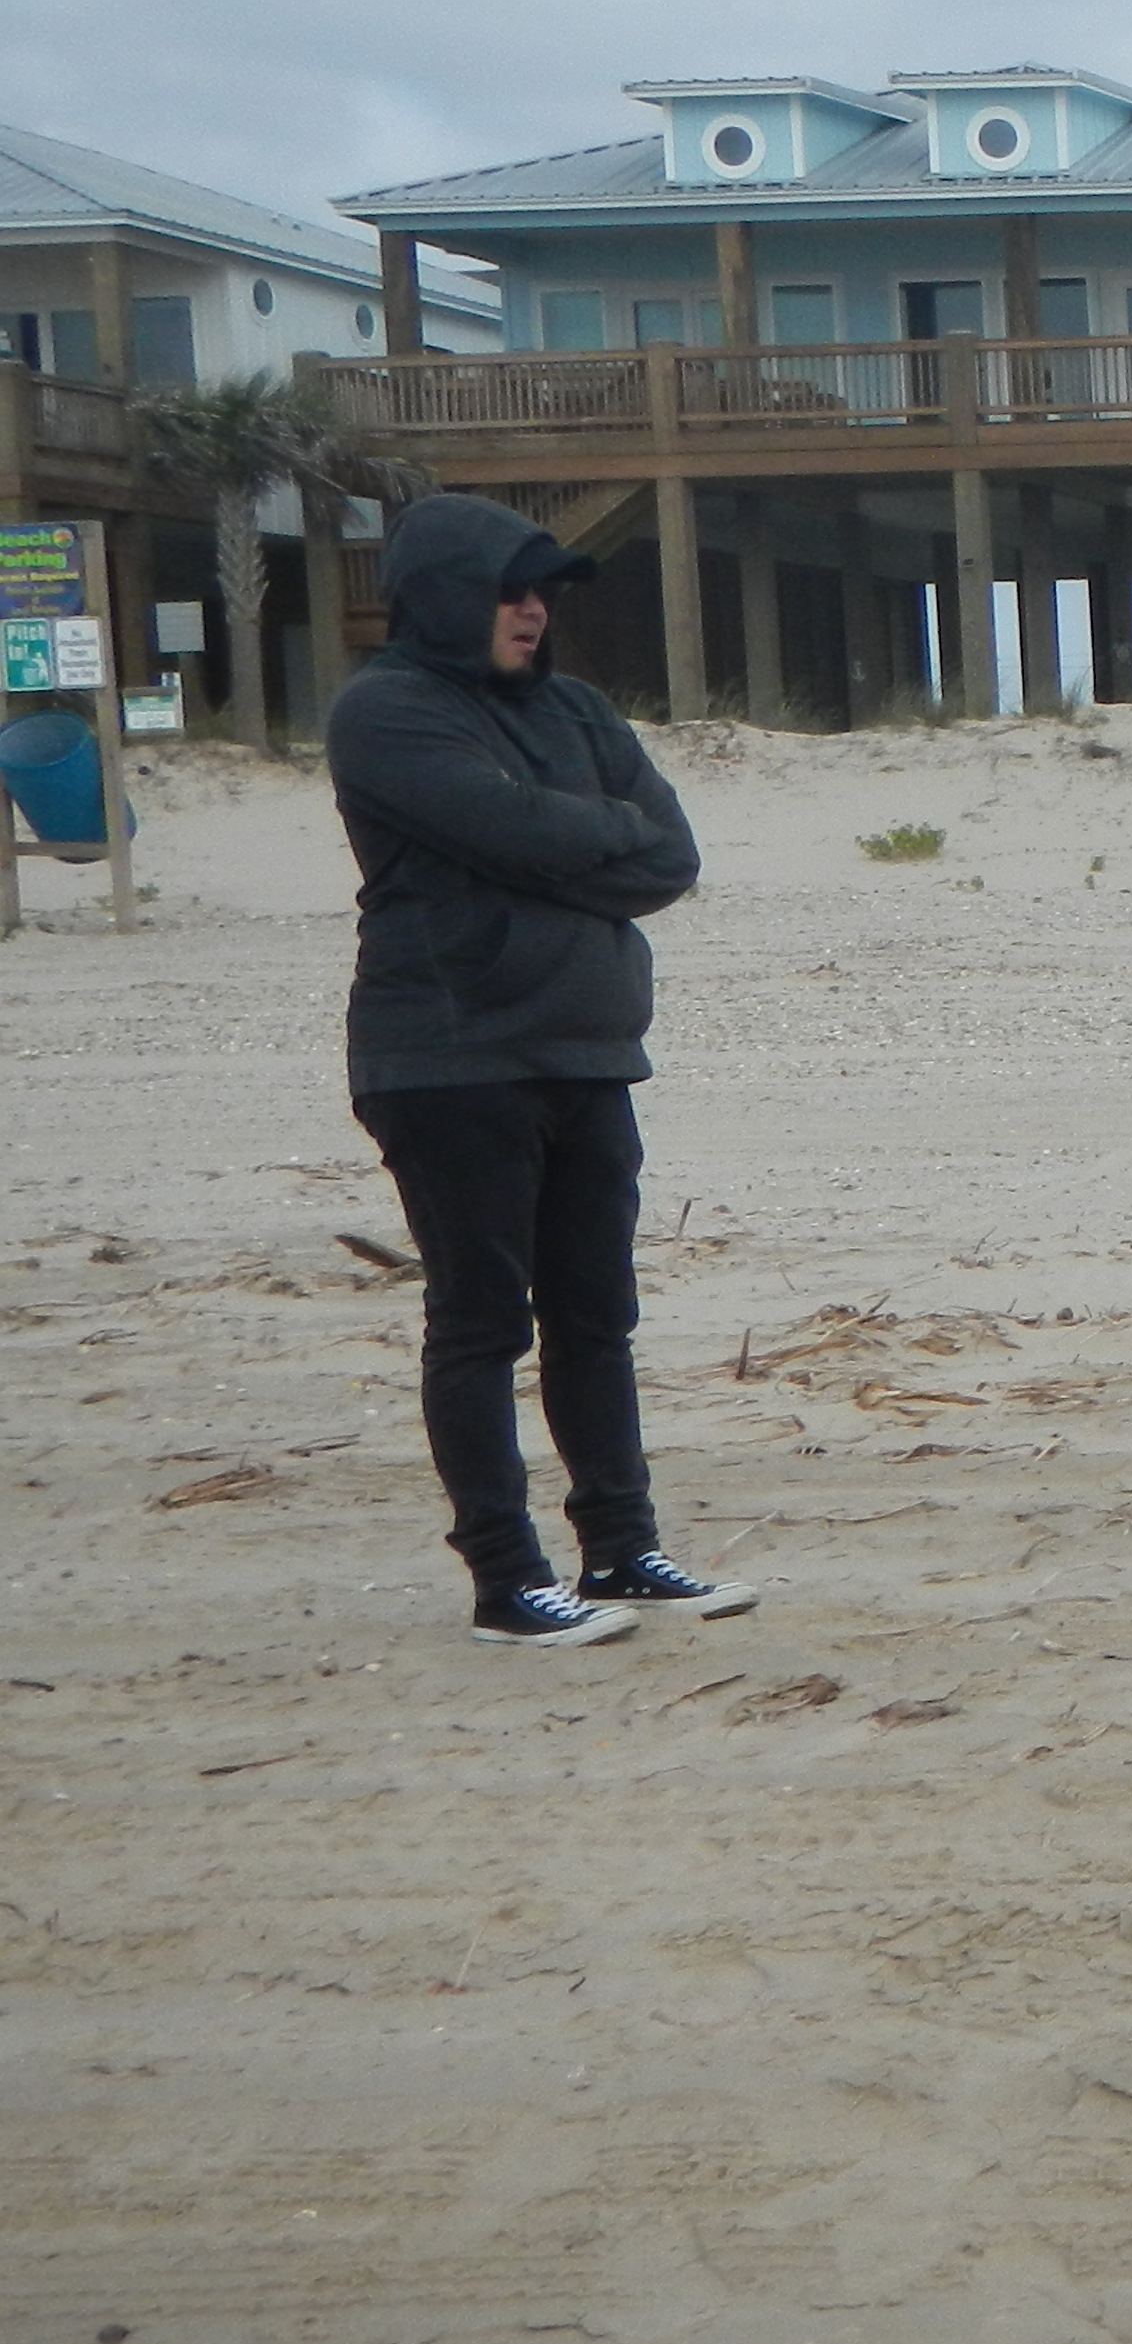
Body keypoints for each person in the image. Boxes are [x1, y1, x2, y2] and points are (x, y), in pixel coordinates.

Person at [326, 495, 750, 1645]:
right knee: (480, 1323)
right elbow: (507, 829)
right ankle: (506, 1579)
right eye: (508, 589)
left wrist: (550, 838)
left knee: (596, 1315)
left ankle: (620, 1549)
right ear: (446, 596)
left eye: (542, 591)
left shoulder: (577, 709)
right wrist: (575, 836)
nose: (531, 610)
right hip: (447, 1058)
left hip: (589, 1050)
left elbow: (668, 856)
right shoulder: (386, 710)